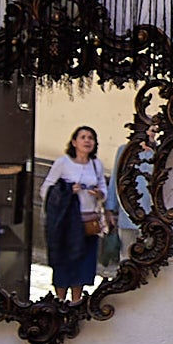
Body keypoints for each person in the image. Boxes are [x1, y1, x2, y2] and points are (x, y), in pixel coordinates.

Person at [41, 125, 114, 297]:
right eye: (83, 137)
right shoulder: (62, 163)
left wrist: (98, 193)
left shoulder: (96, 165)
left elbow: (104, 190)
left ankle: (76, 301)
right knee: (64, 262)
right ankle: (59, 300)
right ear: (74, 142)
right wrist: (67, 191)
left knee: (83, 264)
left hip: (89, 223)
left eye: (91, 138)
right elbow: (46, 189)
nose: (87, 141)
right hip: (66, 223)